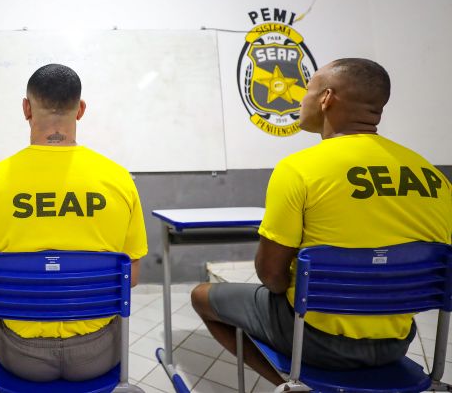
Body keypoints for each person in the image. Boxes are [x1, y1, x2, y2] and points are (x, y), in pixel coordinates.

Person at [191, 58, 452, 384]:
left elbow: (271, 276)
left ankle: (291, 386)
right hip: (396, 342)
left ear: (326, 98)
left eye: (306, 91)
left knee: (201, 296)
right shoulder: (434, 177)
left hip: (315, 340)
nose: (301, 100)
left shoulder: (298, 169)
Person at [0, 63, 148, 382]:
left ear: (26, 108)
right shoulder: (119, 180)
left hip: (20, 356)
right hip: (98, 353)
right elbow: (130, 278)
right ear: (81, 110)